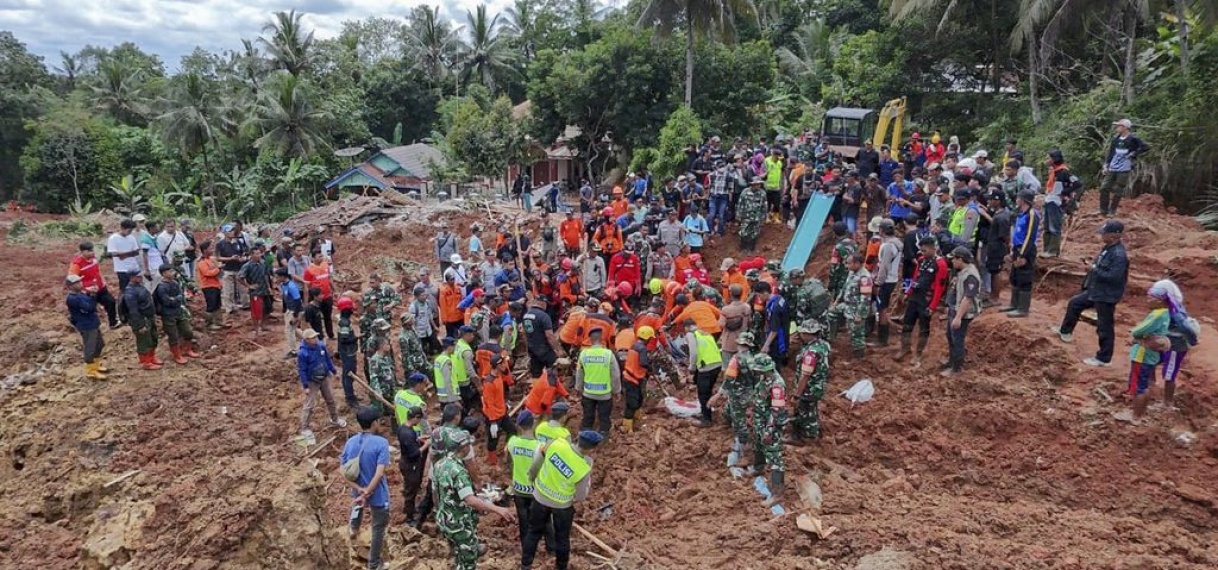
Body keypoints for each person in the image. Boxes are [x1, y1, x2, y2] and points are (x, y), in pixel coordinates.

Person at [432, 428, 517, 570]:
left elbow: (435, 492)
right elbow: (470, 500)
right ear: (463, 447)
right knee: (469, 560)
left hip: (445, 518)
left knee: (459, 553)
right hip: (458, 523)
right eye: (468, 445)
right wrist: (497, 509)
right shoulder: (459, 472)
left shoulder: (440, 464)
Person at [1050, 220, 1129, 366]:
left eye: (1104, 233)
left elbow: (1113, 277)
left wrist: (1093, 269)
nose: (1101, 236)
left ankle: (1103, 358)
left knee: (1104, 326)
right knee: (1075, 303)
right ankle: (1065, 332)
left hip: (1106, 295)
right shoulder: (1108, 248)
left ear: (1113, 235)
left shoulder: (1119, 255)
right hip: (1096, 290)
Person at [521, 430, 603, 570]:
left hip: (540, 497)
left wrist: (532, 477)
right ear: (592, 448)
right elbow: (580, 496)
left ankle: (526, 565)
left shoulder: (556, 442)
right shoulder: (584, 467)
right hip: (562, 506)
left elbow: (537, 462)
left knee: (533, 532)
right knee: (562, 539)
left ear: (578, 439)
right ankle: (561, 567)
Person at [1113, 288, 1172, 424]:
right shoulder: (1165, 313)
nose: (1148, 300)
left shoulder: (1157, 315)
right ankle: (1141, 414)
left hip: (1142, 355)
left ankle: (1135, 417)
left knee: (1139, 386)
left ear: (1159, 300)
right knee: (1144, 384)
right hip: (1151, 356)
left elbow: (1139, 331)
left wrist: (1135, 333)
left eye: (1151, 297)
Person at [341, 406, 390, 570]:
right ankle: (374, 564)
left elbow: (344, 471)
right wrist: (369, 491)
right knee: (378, 526)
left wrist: (360, 490)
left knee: (358, 505)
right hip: (377, 492)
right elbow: (379, 472)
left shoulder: (350, 442)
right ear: (374, 423)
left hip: (358, 489)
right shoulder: (381, 443)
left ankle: (353, 529)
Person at [507, 411, 555, 555]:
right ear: (533, 424)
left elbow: (509, 463)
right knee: (545, 521)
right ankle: (551, 549)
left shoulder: (512, 442)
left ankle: (527, 549)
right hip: (536, 491)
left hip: (519, 490)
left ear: (519, 426)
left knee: (524, 521)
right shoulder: (540, 446)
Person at [1150, 280, 1199, 409]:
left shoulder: (1175, 312)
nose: (1151, 300)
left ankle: (1167, 403)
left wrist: (1192, 340)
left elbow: (1186, 327)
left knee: (1169, 373)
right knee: (1150, 361)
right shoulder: (1165, 308)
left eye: (1155, 297)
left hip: (1175, 346)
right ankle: (1152, 390)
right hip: (1166, 341)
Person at [746, 354, 787, 507]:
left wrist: (769, 430)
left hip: (771, 424)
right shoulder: (764, 379)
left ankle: (777, 493)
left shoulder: (777, 385)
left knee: (774, 457)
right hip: (760, 420)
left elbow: (776, 410)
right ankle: (758, 467)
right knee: (758, 444)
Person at [898, 237, 947, 368]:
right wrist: (908, 293)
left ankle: (918, 353)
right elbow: (916, 277)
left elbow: (939, 287)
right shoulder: (921, 260)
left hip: (927, 299)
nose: (922, 252)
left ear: (932, 248)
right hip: (915, 296)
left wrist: (933, 306)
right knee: (907, 323)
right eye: (921, 250)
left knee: (924, 327)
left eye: (924, 250)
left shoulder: (940, 264)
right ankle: (905, 348)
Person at [297, 329, 347, 438]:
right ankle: (304, 427)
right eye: (313, 338)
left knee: (330, 400)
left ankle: (335, 419)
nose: (315, 339)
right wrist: (305, 386)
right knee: (309, 405)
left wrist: (334, 372)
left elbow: (327, 360)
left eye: (315, 337)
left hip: (324, 378)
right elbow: (302, 370)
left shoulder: (320, 346)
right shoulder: (302, 353)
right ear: (307, 340)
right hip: (312, 381)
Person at [942, 246, 981, 376]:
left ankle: (957, 368)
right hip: (955, 308)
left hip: (964, 312)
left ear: (960, 259)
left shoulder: (970, 276)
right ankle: (951, 361)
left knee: (957, 339)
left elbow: (968, 298)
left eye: (953, 259)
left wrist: (958, 317)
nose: (952, 261)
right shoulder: (961, 271)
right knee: (950, 336)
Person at [1099, 119, 1150, 217]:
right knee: (1104, 187)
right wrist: (1106, 165)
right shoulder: (1116, 139)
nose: (1117, 128)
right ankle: (1103, 210)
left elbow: (1145, 147)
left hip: (1124, 168)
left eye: (1119, 126)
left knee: (1118, 190)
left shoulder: (1133, 138)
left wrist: (1134, 153)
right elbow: (1111, 153)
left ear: (1125, 127)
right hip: (1113, 167)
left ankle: (1112, 211)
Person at [574, 328, 620, 436]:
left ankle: (585, 437)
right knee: (604, 418)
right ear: (602, 339)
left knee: (587, 417)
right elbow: (615, 375)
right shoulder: (608, 354)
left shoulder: (584, 354)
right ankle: (603, 437)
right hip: (604, 394)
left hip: (588, 393)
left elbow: (579, 373)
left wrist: (578, 388)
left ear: (590, 340)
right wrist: (616, 391)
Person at [826, 253, 872, 358]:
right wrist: (836, 301)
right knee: (831, 314)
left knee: (855, 331)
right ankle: (831, 338)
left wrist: (859, 314)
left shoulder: (865, 278)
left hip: (856, 308)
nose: (847, 265)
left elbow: (865, 298)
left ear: (857, 264)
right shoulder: (851, 273)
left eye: (849, 263)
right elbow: (845, 287)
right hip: (846, 304)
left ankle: (859, 353)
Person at [1002, 190, 1040, 317]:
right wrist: (1013, 251)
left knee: (1024, 278)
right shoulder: (1020, 214)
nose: (1016, 200)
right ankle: (1014, 304)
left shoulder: (1032, 214)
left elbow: (1029, 236)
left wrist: (1022, 255)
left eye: (1018, 198)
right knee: (1015, 276)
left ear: (1023, 200)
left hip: (1026, 250)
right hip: (1017, 248)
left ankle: (1023, 309)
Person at [153, 264, 200, 365]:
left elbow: (181, 296)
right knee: (173, 335)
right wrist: (176, 299)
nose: (173, 273)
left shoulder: (175, 283)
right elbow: (167, 302)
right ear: (164, 273)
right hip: (168, 315)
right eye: (170, 271)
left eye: (172, 271)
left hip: (179, 311)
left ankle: (187, 349)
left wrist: (176, 299)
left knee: (188, 331)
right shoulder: (161, 287)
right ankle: (177, 355)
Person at [792, 321, 829, 442]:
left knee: (804, 411)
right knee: (811, 410)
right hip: (818, 385)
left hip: (809, 388)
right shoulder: (823, 345)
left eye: (802, 332)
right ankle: (812, 432)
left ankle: (806, 436)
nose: (800, 334)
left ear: (808, 334)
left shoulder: (810, 353)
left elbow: (805, 376)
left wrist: (797, 394)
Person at [69, 241, 119, 329]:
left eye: (92, 250)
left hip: (100, 288)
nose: (92, 252)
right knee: (90, 309)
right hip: (88, 292)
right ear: (83, 252)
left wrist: (102, 281)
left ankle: (113, 322)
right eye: (89, 251)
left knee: (111, 302)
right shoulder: (77, 264)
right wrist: (85, 289)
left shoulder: (94, 259)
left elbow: (97, 271)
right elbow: (72, 280)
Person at [66, 274, 107, 380]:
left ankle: (96, 365)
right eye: (77, 282)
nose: (80, 283)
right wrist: (93, 295)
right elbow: (90, 307)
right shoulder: (72, 299)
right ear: (70, 286)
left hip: (92, 323)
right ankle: (91, 370)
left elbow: (89, 303)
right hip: (87, 326)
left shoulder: (80, 294)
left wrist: (91, 295)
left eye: (80, 281)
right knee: (90, 348)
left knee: (100, 344)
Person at [684, 319, 722, 428]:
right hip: (716, 364)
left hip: (706, 367)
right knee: (707, 391)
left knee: (703, 394)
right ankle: (705, 411)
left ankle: (707, 419)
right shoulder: (705, 333)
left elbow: (694, 352)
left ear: (686, 327)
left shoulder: (691, 335)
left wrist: (691, 367)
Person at [120, 272, 162, 369]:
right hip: (141, 318)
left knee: (153, 337)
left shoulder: (140, 286)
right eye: (138, 276)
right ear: (131, 277)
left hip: (149, 316)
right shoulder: (130, 292)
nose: (140, 278)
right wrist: (140, 325)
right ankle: (146, 362)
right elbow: (133, 310)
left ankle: (152, 357)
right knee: (144, 340)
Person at [1043, 149, 1080, 257]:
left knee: (1054, 227)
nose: (1046, 160)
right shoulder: (1054, 171)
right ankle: (1046, 249)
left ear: (1054, 159)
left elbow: (1077, 183)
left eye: (1048, 158)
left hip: (1057, 201)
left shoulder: (1064, 171)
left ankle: (1053, 251)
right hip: (1050, 199)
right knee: (1047, 227)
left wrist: (1064, 192)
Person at [871, 219, 902, 347]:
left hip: (886, 280)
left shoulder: (888, 246)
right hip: (892, 279)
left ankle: (882, 339)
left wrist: (878, 282)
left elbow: (884, 266)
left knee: (882, 308)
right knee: (882, 307)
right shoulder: (897, 243)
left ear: (881, 230)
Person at [397, 405, 428, 524]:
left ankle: (409, 510)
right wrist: (426, 444)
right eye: (419, 419)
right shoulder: (408, 434)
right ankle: (409, 518)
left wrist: (419, 439)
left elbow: (408, 443)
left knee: (409, 488)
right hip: (410, 465)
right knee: (411, 491)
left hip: (405, 462)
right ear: (415, 418)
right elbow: (414, 453)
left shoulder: (403, 428)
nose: (419, 422)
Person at [524, 297, 567, 378]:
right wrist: (558, 350)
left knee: (536, 374)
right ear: (542, 303)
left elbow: (525, 333)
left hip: (532, 349)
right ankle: (552, 389)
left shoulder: (527, 315)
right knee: (553, 372)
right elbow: (549, 336)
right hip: (544, 349)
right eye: (546, 303)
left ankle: (537, 389)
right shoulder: (543, 316)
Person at [215, 224, 250, 313]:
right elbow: (218, 258)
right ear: (225, 233)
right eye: (230, 231)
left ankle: (246, 305)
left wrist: (242, 258)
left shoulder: (238, 242)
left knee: (243, 288)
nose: (233, 232)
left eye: (233, 230)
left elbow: (243, 254)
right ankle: (229, 308)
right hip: (227, 269)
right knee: (228, 290)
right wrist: (230, 258)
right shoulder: (220, 244)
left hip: (239, 268)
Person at [237, 243, 272, 332]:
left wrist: (269, 287)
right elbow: (239, 277)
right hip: (255, 291)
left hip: (265, 290)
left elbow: (266, 275)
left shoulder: (263, 263)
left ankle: (263, 325)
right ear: (251, 255)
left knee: (267, 308)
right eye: (256, 254)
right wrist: (248, 286)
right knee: (256, 311)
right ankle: (256, 328)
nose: (258, 255)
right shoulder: (247, 265)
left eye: (259, 253)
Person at [302, 249, 335, 339]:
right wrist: (306, 302)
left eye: (322, 256)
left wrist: (334, 290)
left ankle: (330, 335)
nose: (321, 258)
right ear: (313, 258)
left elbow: (329, 279)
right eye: (319, 256)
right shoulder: (309, 270)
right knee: (315, 319)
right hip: (315, 298)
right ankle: (317, 336)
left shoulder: (325, 265)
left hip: (327, 296)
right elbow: (306, 286)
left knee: (328, 317)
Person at [334, 296, 360, 409]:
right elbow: (344, 340)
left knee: (348, 374)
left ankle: (351, 395)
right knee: (349, 375)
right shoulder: (345, 323)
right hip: (348, 353)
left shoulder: (343, 321)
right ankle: (350, 398)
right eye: (351, 308)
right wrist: (357, 337)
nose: (352, 310)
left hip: (347, 352)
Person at [106, 219, 142, 293]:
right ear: (122, 228)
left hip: (134, 266)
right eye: (129, 231)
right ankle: (121, 304)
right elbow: (113, 253)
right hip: (122, 269)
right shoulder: (113, 238)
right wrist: (129, 254)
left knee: (137, 288)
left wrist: (123, 255)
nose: (130, 233)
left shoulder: (131, 237)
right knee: (124, 289)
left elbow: (136, 252)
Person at [367, 337, 397, 419]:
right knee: (379, 412)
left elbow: (390, 373)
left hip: (389, 389)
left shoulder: (386, 357)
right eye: (387, 344)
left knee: (391, 410)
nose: (389, 346)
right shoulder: (374, 360)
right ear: (381, 346)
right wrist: (378, 392)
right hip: (381, 391)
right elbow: (373, 377)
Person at [738, 177, 768, 252]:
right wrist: (738, 215)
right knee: (743, 232)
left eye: (759, 184)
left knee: (754, 233)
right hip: (746, 216)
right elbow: (740, 204)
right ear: (753, 184)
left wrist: (764, 217)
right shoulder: (745, 192)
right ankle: (743, 248)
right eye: (757, 184)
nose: (758, 186)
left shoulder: (762, 193)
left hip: (757, 217)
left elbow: (764, 206)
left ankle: (751, 249)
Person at [434, 337, 462, 409]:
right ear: (449, 347)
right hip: (449, 397)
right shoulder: (446, 361)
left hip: (442, 395)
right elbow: (448, 381)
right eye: (454, 346)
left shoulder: (438, 359)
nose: (455, 348)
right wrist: (454, 400)